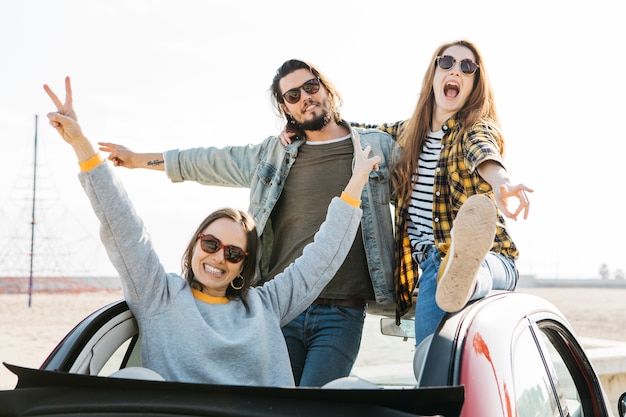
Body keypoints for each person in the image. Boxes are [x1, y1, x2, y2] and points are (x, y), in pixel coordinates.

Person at [43, 76, 381, 387]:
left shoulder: (266, 304)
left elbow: (322, 257)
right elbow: (123, 227)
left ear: (243, 265)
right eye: (211, 243)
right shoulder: (158, 294)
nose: (219, 257)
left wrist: (355, 184)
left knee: (349, 390)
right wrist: (82, 146)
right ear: (194, 245)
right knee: (136, 377)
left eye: (233, 253)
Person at [283, 41, 534, 346]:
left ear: (475, 84)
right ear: (434, 73)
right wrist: (301, 130)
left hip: (492, 260)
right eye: (447, 63)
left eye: (467, 67)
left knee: (438, 338)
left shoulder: (474, 129)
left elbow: (483, 150)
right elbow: (354, 133)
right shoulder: (406, 134)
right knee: (431, 355)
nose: (456, 70)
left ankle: (464, 271)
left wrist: (501, 183)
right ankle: (457, 273)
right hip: (432, 265)